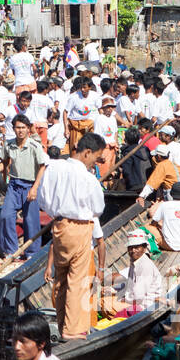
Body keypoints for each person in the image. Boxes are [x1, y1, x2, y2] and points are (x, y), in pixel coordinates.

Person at [38, 133, 106, 340]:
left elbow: (43, 199)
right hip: (80, 228)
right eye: (96, 158)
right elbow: (98, 208)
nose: (96, 162)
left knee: (61, 279)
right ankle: (72, 331)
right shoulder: (88, 178)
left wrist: (59, 213)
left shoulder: (53, 168)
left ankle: (62, 325)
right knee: (78, 281)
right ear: (87, 153)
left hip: (59, 227)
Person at [0, 114, 48, 258]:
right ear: (13, 129)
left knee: (30, 220)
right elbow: (4, 163)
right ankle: (11, 250)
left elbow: (42, 167)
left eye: (23, 128)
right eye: (17, 128)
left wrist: (35, 188)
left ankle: (31, 251)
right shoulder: (9, 144)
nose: (20, 131)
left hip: (30, 185)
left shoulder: (34, 146)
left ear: (28, 129)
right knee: (5, 216)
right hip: (14, 185)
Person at [101, 228, 164, 317]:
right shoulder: (136, 261)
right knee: (105, 298)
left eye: (137, 247)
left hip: (144, 306)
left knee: (105, 303)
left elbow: (138, 296)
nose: (133, 250)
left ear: (144, 248)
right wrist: (114, 291)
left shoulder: (145, 265)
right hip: (135, 300)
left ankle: (117, 321)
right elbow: (131, 285)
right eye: (130, 247)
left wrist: (120, 298)